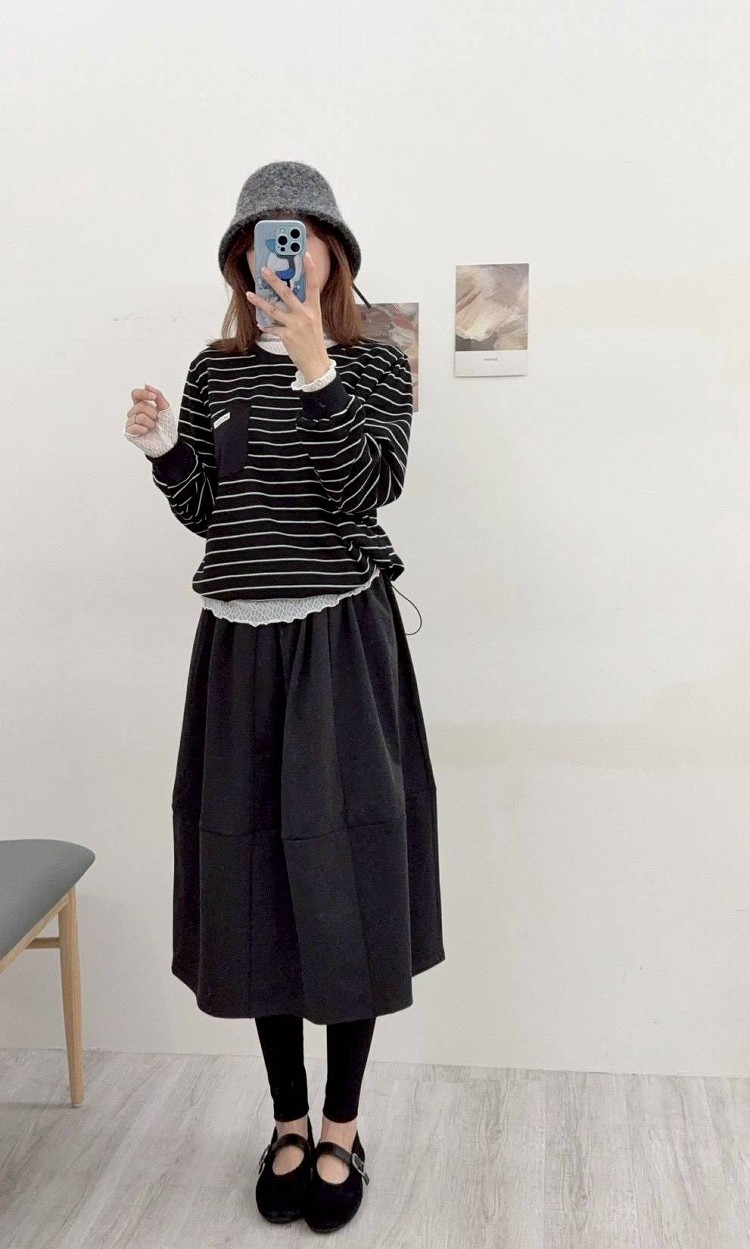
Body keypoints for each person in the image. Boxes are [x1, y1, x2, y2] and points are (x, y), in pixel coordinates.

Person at [122, 160, 445, 1232]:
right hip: (235, 649)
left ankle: (343, 1125)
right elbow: (212, 511)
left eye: (301, 240)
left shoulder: (377, 362)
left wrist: (316, 367)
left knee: (348, 869)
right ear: (240, 260)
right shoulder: (214, 370)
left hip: (340, 642)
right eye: (263, 242)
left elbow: (367, 489)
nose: (283, 258)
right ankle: (289, 1121)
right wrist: (166, 448)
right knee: (250, 871)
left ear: (334, 255)